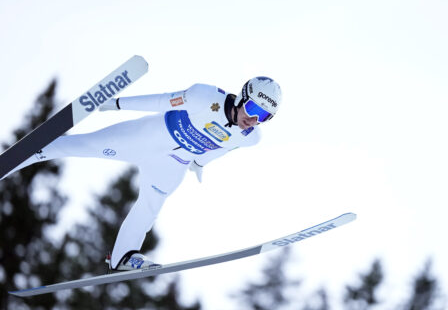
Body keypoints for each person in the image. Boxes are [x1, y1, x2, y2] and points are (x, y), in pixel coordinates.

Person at [2, 76, 282, 271]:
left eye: (265, 116)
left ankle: (123, 256)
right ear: (244, 97)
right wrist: (118, 103)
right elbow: (162, 102)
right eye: (254, 108)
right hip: (146, 138)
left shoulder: (250, 137)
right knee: (85, 145)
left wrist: (199, 165)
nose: (255, 119)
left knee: (150, 206)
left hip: (173, 163)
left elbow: (221, 148)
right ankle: (28, 154)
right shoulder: (205, 97)